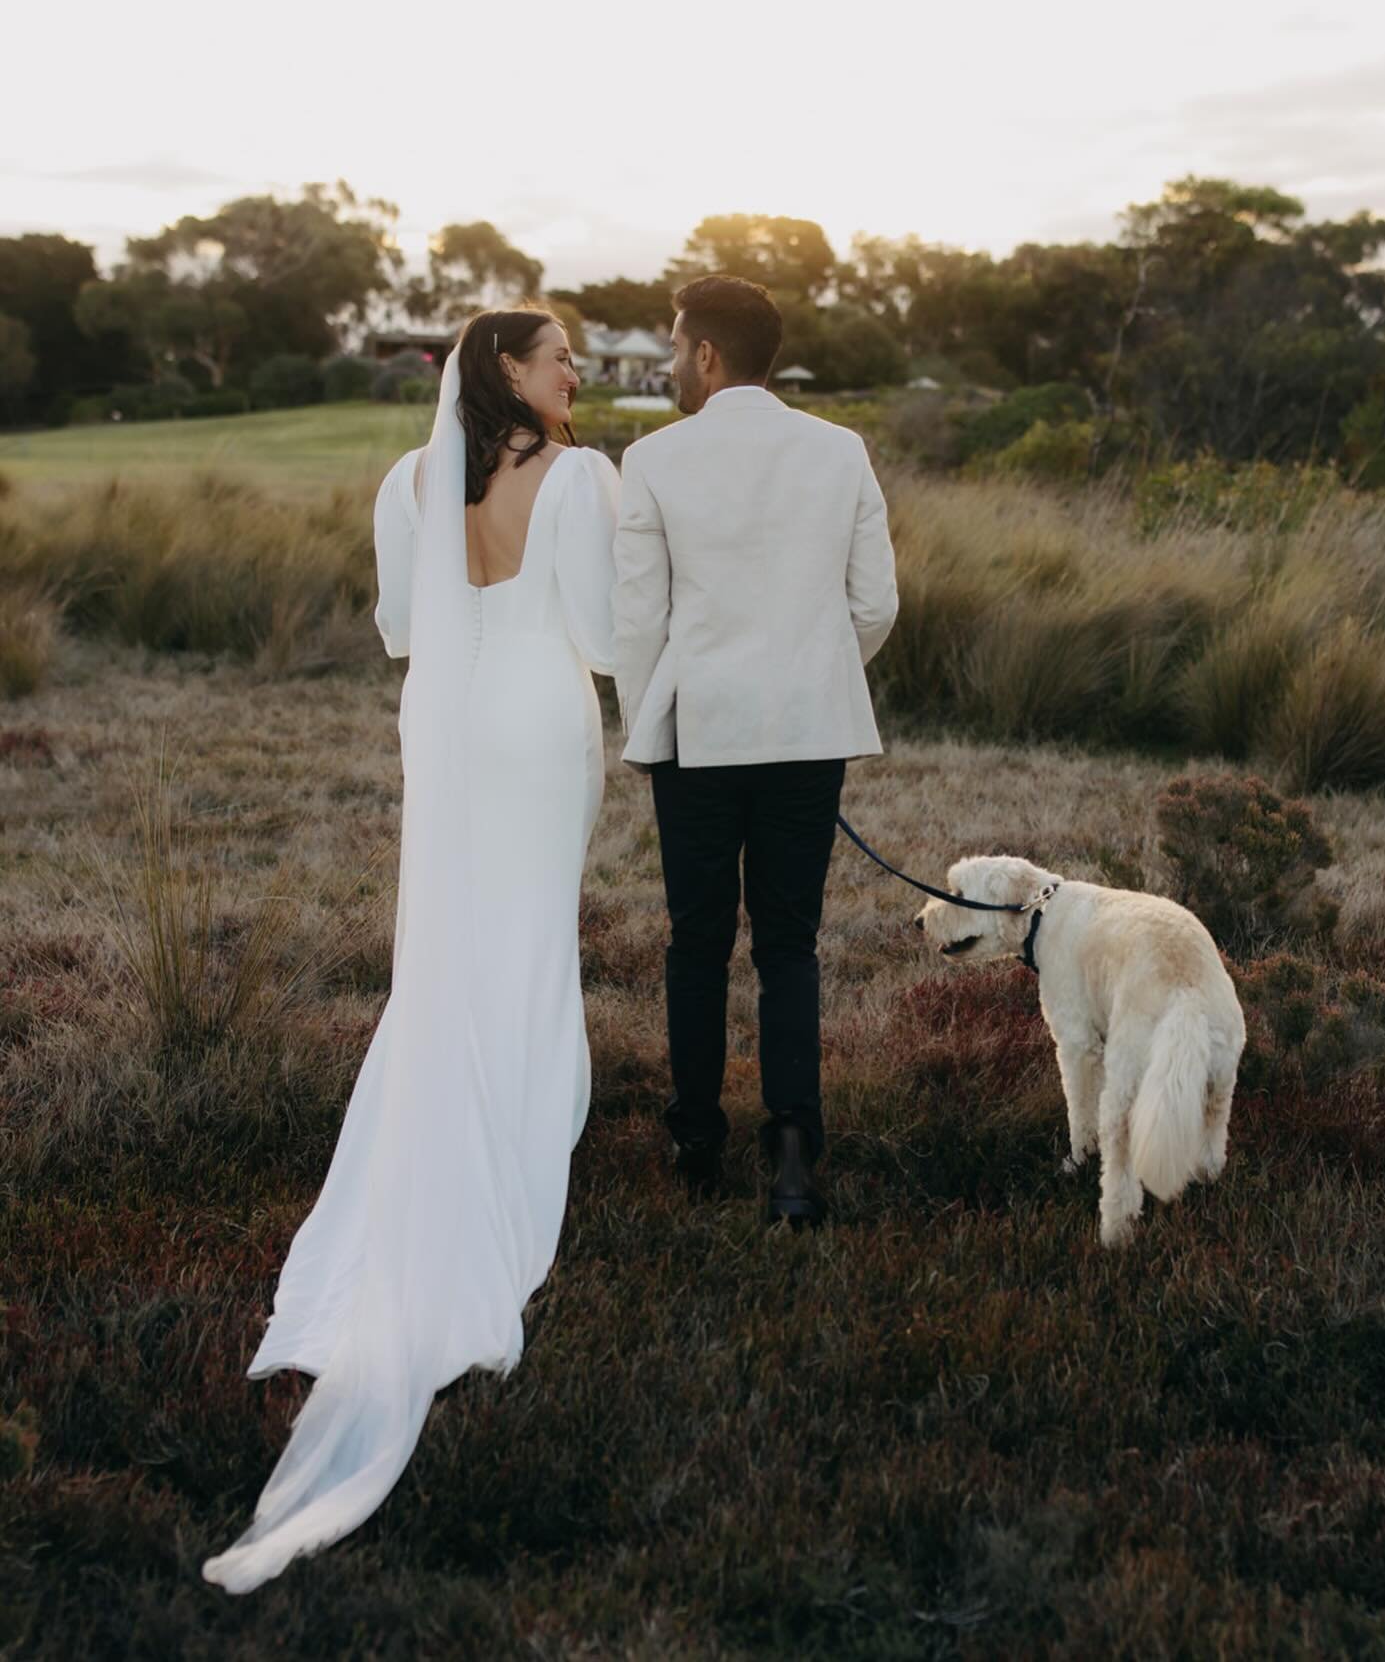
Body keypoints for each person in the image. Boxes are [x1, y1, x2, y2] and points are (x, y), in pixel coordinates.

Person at [202, 308, 620, 1593]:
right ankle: (514, 1154)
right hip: (545, 718)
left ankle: (446, 1133)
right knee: (531, 942)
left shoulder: (408, 479)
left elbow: (400, 626)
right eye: (560, 357)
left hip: (443, 723)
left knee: (445, 951)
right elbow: (604, 637)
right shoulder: (586, 478)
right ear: (505, 367)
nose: (578, 374)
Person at [612, 275, 899, 1226]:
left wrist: (648, 723)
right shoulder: (839, 450)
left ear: (705, 355)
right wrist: (812, 676)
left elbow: (638, 620)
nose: (666, 362)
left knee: (697, 942)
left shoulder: (653, 460)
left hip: (697, 735)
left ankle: (696, 1140)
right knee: (788, 945)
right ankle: (791, 1158)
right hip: (806, 734)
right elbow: (875, 607)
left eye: (672, 345)